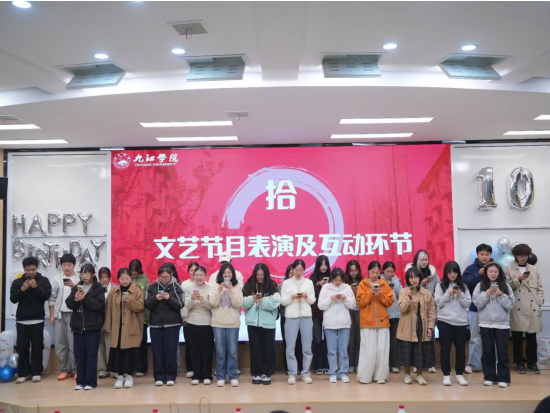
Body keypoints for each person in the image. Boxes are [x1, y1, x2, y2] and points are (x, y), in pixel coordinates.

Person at [472, 262, 515, 388]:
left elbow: (510, 304)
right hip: (486, 324)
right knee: (487, 352)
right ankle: (489, 377)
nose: (493, 274)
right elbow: (477, 303)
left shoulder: (505, 285)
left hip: (502, 324)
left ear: (499, 273)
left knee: (502, 352)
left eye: (496, 272)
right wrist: (486, 294)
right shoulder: (480, 285)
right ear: (486, 273)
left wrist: (501, 295)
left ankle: (504, 378)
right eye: (490, 271)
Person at [11, 256, 52, 384]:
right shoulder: (17, 282)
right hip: (22, 320)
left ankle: (36, 372)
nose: (30, 272)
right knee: (22, 348)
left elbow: (46, 296)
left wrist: (36, 287)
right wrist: (22, 289)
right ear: (24, 269)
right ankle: (23, 373)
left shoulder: (43, 280)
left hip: (37, 319)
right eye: (28, 270)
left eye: (33, 269)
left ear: (37, 268)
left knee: (37, 347)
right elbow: (13, 299)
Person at [505, 244, 544, 375]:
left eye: (525, 255)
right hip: (517, 308)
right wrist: (518, 279)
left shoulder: (534, 269)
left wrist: (539, 302)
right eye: (520, 255)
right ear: (515, 255)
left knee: (532, 338)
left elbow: (540, 288)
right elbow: (506, 287)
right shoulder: (508, 269)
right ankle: (519, 363)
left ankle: (532, 363)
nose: (523, 257)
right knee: (517, 338)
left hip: (532, 307)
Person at [65, 263, 105, 390]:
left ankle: (90, 382)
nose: (84, 276)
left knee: (91, 355)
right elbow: (68, 304)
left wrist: (84, 299)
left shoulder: (98, 288)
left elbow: (99, 305)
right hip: (78, 327)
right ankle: (80, 382)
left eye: (87, 273)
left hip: (92, 326)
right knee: (79, 355)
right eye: (82, 273)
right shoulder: (78, 286)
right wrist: (76, 298)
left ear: (93, 274)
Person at [105, 267, 145, 389]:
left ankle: (129, 376)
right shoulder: (113, 291)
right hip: (117, 327)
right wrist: (108, 325)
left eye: (127, 278)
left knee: (130, 352)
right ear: (118, 279)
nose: (125, 281)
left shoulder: (137, 290)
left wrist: (130, 301)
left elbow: (141, 307)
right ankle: (120, 376)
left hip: (131, 326)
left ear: (130, 278)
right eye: (122, 279)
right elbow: (109, 309)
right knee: (118, 352)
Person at [145, 266, 184, 386]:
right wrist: (155, 298)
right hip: (155, 325)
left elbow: (180, 304)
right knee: (157, 352)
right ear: (158, 276)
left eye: (166, 277)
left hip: (172, 324)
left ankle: (171, 376)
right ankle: (159, 376)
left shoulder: (176, 287)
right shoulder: (152, 287)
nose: (164, 279)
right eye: (162, 277)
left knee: (171, 351)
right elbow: (147, 304)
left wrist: (169, 298)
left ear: (171, 276)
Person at [396, 267, 436, 386]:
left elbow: (431, 311)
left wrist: (430, 327)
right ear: (408, 279)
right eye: (411, 277)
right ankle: (407, 375)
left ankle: (419, 375)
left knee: (420, 352)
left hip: (422, 325)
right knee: (407, 351)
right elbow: (401, 308)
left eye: (416, 277)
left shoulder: (426, 293)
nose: (414, 280)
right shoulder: (404, 292)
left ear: (419, 278)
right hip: (407, 326)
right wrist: (408, 297)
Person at [356, 261, 394, 384]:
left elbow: (389, 302)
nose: (375, 275)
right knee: (367, 350)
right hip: (367, 322)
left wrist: (380, 294)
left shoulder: (384, 284)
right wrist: (370, 293)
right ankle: (365, 376)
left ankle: (380, 376)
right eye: (372, 272)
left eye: (377, 272)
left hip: (383, 322)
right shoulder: (362, 284)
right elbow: (360, 303)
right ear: (368, 271)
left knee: (382, 350)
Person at [434, 261, 471, 386]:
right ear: (446, 273)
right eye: (450, 272)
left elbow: (467, 304)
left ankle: (460, 374)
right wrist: (448, 294)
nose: (452, 275)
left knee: (461, 349)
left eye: (455, 272)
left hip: (461, 322)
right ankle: (446, 375)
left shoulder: (463, 286)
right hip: (445, 321)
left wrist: (460, 295)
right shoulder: (440, 286)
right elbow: (438, 303)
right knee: (445, 349)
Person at [243, 263, 281, 385]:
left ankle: (267, 373)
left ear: (266, 275)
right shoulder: (248, 285)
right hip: (253, 323)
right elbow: (243, 303)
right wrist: (252, 298)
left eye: (262, 275)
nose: (260, 277)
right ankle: (256, 373)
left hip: (268, 323)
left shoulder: (272, 285)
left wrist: (262, 301)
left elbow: (275, 302)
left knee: (268, 348)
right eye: (258, 275)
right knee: (255, 348)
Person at [318, 267, 356, 383]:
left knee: (343, 350)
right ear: (332, 279)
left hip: (344, 323)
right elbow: (320, 306)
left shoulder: (346, 288)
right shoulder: (325, 288)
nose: (338, 282)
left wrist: (345, 299)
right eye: (336, 280)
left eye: (340, 280)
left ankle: (343, 373)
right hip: (329, 324)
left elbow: (353, 305)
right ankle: (333, 373)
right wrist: (330, 299)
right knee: (332, 351)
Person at [281, 259, 316, 385]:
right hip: (291, 317)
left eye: (301, 270)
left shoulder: (309, 282)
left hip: (306, 317)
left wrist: (306, 296)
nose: (299, 272)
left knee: (307, 347)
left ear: (304, 270)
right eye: (296, 270)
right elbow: (283, 301)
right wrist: (292, 297)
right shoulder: (286, 283)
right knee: (290, 347)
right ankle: (292, 373)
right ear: (293, 269)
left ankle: (306, 373)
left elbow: (313, 300)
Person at [209, 263, 244, 387]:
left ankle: (233, 375)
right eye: (225, 273)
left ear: (233, 274)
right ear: (221, 274)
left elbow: (238, 303)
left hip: (233, 323)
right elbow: (212, 303)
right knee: (220, 352)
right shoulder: (215, 286)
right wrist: (219, 290)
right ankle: (221, 376)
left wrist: (231, 290)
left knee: (233, 352)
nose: (227, 275)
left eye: (229, 272)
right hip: (218, 323)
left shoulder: (237, 287)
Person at [405, 250, 439, 373]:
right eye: (422, 260)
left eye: (426, 260)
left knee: (430, 336)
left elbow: (438, 288)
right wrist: (422, 284)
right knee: (416, 338)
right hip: (415, 309)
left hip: (429, 308)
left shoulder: (433, 274)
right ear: (417, 260)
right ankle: (416, 364)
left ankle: (431, 364)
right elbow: (408, 290)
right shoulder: (411, 273)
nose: (424, 262)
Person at [463, 243, 493, 374]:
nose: (485, 257)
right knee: (475, 337)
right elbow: (465, 284)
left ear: (490, 255)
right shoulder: (470, 269)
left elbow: (503, 283)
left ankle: (493, 364)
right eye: (482, 254)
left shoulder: (496, 268)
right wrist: (478, 275)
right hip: (475, 308)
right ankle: (474, 364)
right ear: (477, 255)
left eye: (487, 254)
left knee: (492, 338)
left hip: (493, 309)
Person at [48, 253, 78, 380]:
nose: (66, 267)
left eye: (69, 265)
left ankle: (76, 369)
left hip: (74, 315)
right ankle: (65, 369)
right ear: (61, 266)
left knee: (73, 344)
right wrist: (52, 315)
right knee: (60, 344)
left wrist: (74, 286)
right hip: (60, 315)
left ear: (74, 265)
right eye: (64, 265)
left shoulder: (79, 278)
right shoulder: (56, 279)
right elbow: (52, 298)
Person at [183, 265, 214, 385]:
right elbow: (185, 306)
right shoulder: (188, 287)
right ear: (193, 276)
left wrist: (202, 299)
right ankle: (196, 375)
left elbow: (211, 306)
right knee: (194, 350)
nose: (199, 277)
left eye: (201, 275)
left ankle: (207, 375)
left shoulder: (210, 288)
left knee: (206, 350)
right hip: (192, 322)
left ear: (206, 276)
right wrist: (192, 299)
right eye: (197, 275)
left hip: (206, 322)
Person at [309, 255, 331, 375]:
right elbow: (310, 296)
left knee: (329, 339)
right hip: (316, 313)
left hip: (328, 312)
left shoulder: (332, 278)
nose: (323, 267)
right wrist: (318, 286)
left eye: (325, 264)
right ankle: (318, 365)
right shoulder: (312, 278)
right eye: (321, 264)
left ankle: (328, 365)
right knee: (317, 339)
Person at [280, 264, 303, 374]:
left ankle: (299, 367)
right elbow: (281, 301)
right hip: (285, 316)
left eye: (292, 272)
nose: (291, 275)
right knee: (287, 343)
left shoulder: (301, 283)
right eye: (289, 273)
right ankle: (288, 368)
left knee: (299, 341)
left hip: (299, 316)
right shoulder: (282, 284)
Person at [129, 259, 150, 377]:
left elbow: (147, 298)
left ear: (140, 269)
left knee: (142, 343)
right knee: (130, 343)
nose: (133, 273)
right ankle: (131, 367)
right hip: (129, 317)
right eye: (131, 271)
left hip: (142, 317)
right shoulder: (127, 279)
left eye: (135, 271)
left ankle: (142, 368)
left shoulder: (146, 280)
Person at [381, 261, 402, 374]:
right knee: (384, 341)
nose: (389, 274)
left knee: (395, 341)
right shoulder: (379, 280)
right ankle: (385, 364)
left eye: (392, 272)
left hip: (396, 314)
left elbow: (401, 293)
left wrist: (395, 280)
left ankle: (394, 364)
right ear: (383, 271)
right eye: (387, 271)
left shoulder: (396, 280)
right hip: (384, 315)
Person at [180, 261, 199, 378]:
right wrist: (184, 318)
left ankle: (200, 368)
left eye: (196, 270)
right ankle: (190, 368)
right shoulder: (185, 284)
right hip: (188, 319)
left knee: (200, 345)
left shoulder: (205, 283)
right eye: (191, 270)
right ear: (188, 272)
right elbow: (183, 304)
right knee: (189, 344)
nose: (194, 273)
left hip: (202, 320)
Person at [344, 259, 362, 373]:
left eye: (355, 270)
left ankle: (358, 363)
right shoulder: (344, 282)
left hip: (360, 311)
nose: (353, 273)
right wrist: (349, 291)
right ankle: (350, 363)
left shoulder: (363, 281)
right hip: (348, 311)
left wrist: (358, 291)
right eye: (351, 271)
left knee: (359, 338)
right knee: (350, 338)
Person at [97, 267, 114, 379]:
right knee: (99, 346)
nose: (104, 279)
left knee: (110, 346)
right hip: (98, 321)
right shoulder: (95, 289)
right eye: (102, 277)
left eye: (106, 277)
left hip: (111, 321)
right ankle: (102, 369)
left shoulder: (115, 289)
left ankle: (112, 369)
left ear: (109, 278)